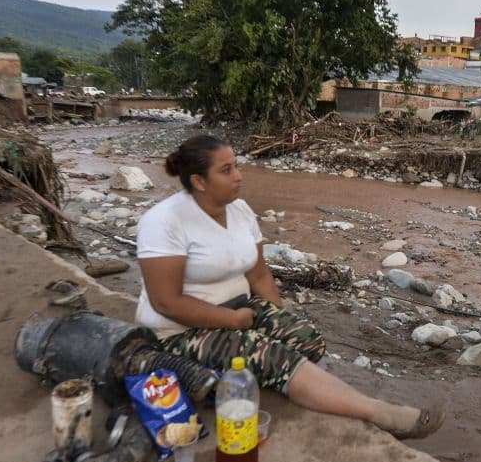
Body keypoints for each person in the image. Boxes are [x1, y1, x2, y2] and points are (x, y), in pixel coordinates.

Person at [136, 135, 444, 439]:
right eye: (226, 170)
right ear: (199, 181)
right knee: (275, 358)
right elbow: (166, 302)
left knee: (306, 341)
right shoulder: (164, 221)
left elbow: (259, 276)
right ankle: (381, 413)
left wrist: (276, 322)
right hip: (177, 330)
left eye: (236, 166)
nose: (239, 176)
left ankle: (243, 376)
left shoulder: (239, 211)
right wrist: (233, 323)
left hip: (239, 310)